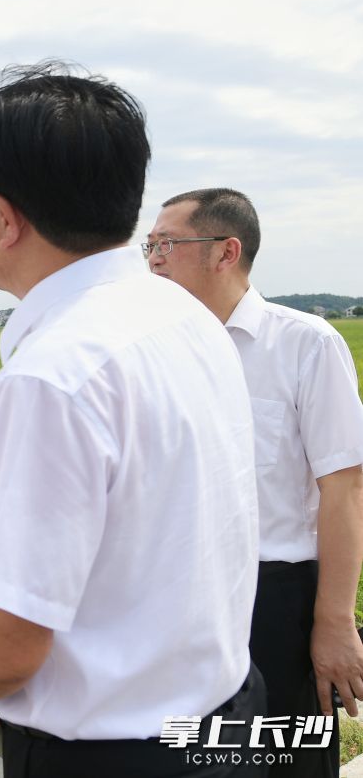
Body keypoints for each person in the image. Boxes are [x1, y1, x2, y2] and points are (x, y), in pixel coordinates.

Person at [0, 64, 264, 777]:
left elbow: (4, 647)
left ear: (4, 217)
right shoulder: (186, 315)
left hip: (115, 756)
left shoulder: (51, 373)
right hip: (224, 721)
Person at [147, 187, 363, 777]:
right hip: (182, 598)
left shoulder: (305, 345)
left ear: (226, 251)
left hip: (277, 603)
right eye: (149, 245)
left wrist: (335, 623)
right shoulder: (157, 353)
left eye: (168, 243)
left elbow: (344, 491)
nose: (153, 258)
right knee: (199, 760)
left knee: (287, 764)